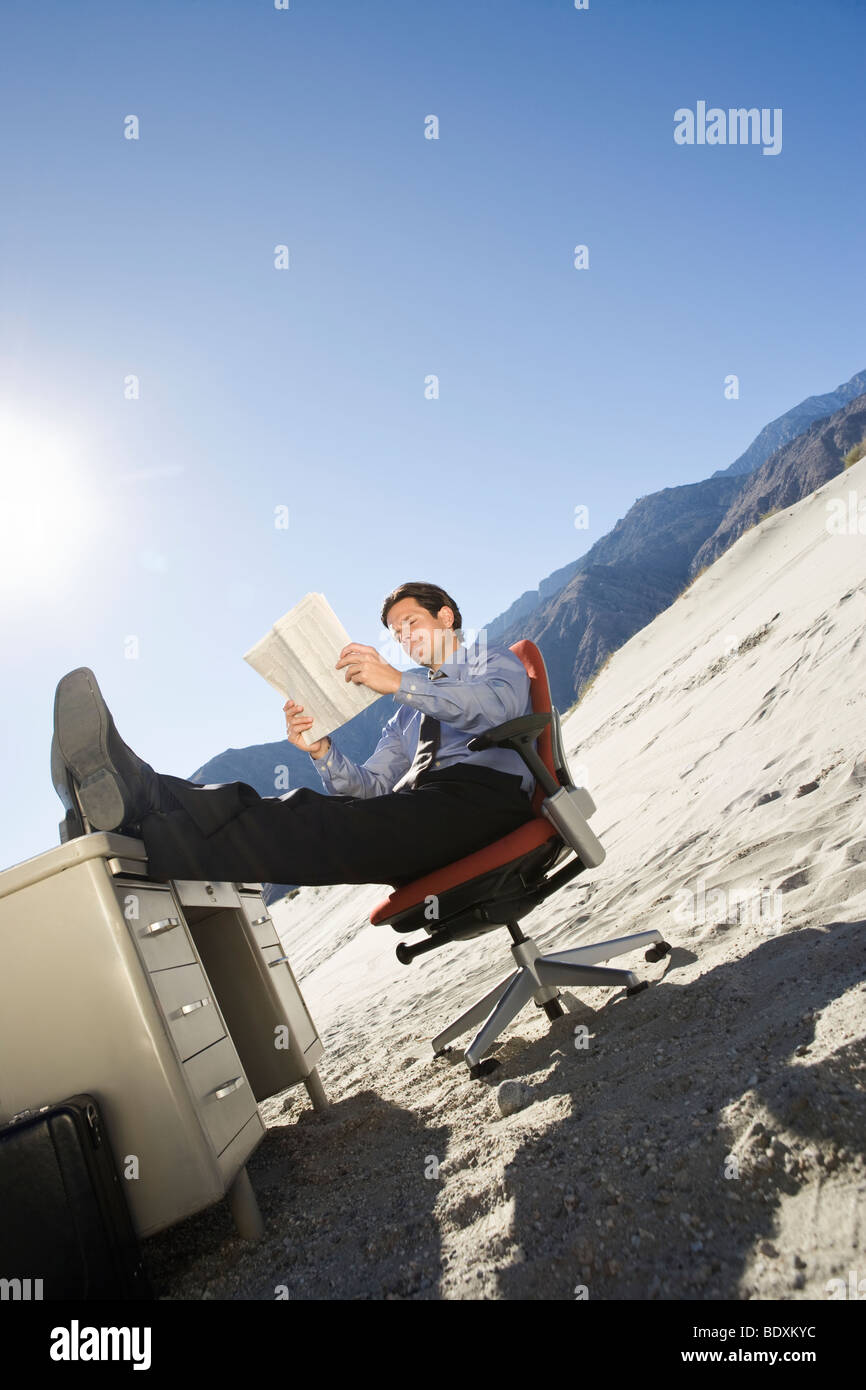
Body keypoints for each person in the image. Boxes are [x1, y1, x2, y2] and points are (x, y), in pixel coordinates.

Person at [52, 582, 538, 890]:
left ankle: (138, 816)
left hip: (486, 803)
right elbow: (368, 789)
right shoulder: (406, 716)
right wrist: (323, 752)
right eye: (395, 631)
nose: (404, 637)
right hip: (420, 814)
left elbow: (498, 712)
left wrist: (396, 682)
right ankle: (140, 801)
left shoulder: (486, 659)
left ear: (446, 617)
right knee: (302, 810)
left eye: (411, 623)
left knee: (310, 822)